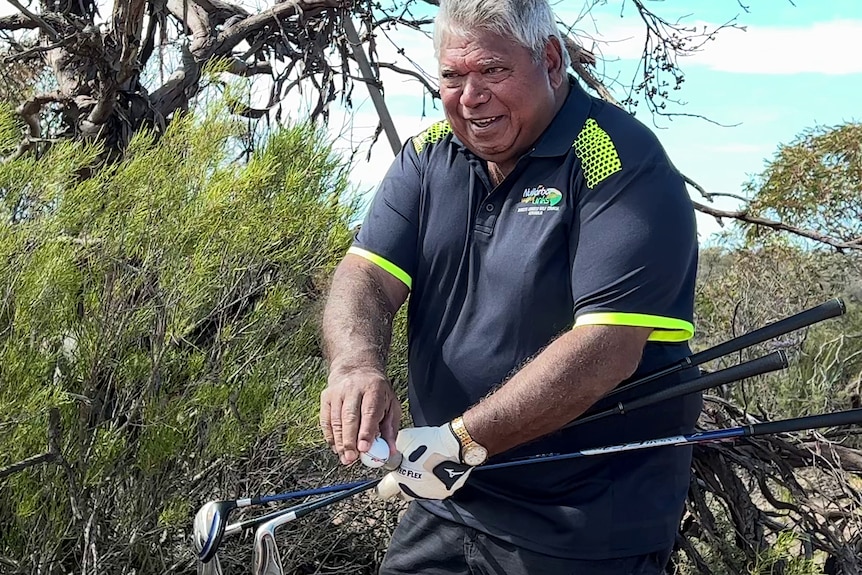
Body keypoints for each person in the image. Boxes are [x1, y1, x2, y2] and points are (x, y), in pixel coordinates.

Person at [319, 0, 702, 572]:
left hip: (583, 527)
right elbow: (366, 274)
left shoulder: (615, 160)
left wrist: (465, 439)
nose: (471, 96)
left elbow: (605, 350)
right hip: (449, 500)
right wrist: (355, 365)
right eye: (453, 76)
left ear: (550, 61)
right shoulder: (427, 158)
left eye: (493, 71)